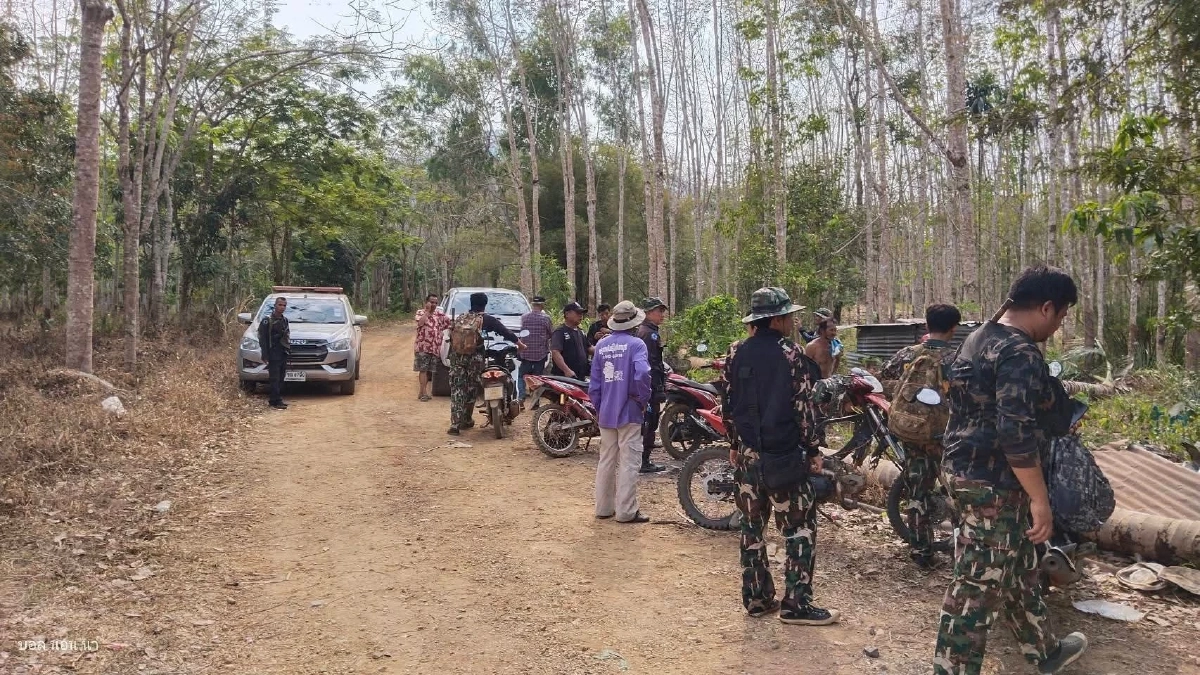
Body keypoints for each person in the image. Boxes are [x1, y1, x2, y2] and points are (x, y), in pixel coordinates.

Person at [933, 266, 1088, 675]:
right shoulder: (1019, 352)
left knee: (1018, 567)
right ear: (1046, 307)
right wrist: (1041, 500)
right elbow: (1014, 435)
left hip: (962, 470)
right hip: (994, 484)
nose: (1057, 327)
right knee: (976, 589)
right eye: (1060, 317)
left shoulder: (977, 338)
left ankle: (1046, 650)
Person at [720, 287, 840, 626]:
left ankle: (757, 599)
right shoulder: (791, 354)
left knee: (751, 529)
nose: (792, 321)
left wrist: (733, 443)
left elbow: (728, 404)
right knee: (799, 530)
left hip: (747, 458)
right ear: (775, 319)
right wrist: (814, 449)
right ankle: (796, 605)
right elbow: (805, 407)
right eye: (788, 316)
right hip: (784, 458)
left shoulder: (734, 352)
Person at [878, 303, 961, 569]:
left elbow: (884, 378)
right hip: (945, 437)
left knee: (917, 492)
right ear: (954, 328)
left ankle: (921, 552)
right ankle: (963, 553)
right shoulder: (957, 358)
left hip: (912, 433)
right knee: (957, 495)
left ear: (926, 325)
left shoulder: (908, 354)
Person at [589, 301, 654, 524]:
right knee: (629, 460)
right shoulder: (637, 345)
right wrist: (642, 399)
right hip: (630, 410)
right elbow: (643, 373)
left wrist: (600, 406)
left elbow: (595, 384)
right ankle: (626, 511)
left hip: (606, 410)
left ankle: (603, 508)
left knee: (606, 459)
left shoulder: (601, 346)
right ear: (634, 323)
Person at [448, 292, 526, 435]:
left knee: (457, 389)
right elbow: (505, 332)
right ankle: (466, 419)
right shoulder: (485, 319)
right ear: (485, 304)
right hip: (475, 358)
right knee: (471, 388)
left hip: (456, 357)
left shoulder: (461, 318)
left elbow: (450, 336)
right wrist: (520, 344)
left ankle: (455, 424)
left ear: (471, 303)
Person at [635, 297, 669, 474]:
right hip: (649, 385)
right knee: (649, 421)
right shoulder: (649, 333)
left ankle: (642, 458)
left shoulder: (646, 331)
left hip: (648, 384)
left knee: (648, 422)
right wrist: (657, 387)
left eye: (662, 311)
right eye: (659, 311)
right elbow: (651, 363)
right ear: (648, 313)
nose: (662, 315)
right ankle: (643, 460)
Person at [517, 296, 553, 401]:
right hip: (540, 353)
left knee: (521, 376)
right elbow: (551, 334)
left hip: (526, 352)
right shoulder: (546, 318)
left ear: (533, 305)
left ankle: (521, 397)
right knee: (537, 378)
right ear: (542, 305)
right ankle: (535, 401)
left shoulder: (524, 317)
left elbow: (522, 333)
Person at [414, 293, 449, 402]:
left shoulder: (440, 315)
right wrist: (428, 312)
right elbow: (420, 323)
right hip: (423, 346)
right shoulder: (421, 313)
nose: (433, 304)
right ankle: (424, 393)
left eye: (435, 302)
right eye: (431, 302)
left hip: (434, 347)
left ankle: (421, 391)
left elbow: (449, 324)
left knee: (430, 370)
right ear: (426, 302)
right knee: (423, 369)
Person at [258, 296, 291, 410]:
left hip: (282, 352)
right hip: (273, 353)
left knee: (281, 377)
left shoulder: (285, 320)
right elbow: (263, 339)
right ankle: (275, 400)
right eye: (280, 305)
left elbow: (287, 336)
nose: (282, 307)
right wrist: (265, 354)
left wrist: (287, 350)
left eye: (284, 305)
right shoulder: (267, 320)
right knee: (274, 378)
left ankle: (276, 399)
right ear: (275, 305)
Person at [551, 302, 591, 379]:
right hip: (565, 378)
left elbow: (589, 348)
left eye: (582, 313)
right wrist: (566, 370)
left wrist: (604, 346)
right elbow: (555, 352)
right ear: (567, 314)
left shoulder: (580, 332)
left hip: (580, 376)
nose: (581, 316)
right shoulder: (560, 332)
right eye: (578, 313)